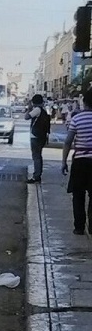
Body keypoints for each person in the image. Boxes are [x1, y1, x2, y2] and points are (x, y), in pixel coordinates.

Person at [62, 88, 92, 235]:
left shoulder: (76, 119)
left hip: (80, 161)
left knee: (78, 195)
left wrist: (63, 162)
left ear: (84, 102)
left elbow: (68, 142)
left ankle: (79, 227)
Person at [24, 94, 50, 184]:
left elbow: (26, 117)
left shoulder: (37, 110)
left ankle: (36, 176)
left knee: (36, 157)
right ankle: (38, 174)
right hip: (42, 136)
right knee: (38, 156)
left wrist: (29, 108)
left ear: (34, 102)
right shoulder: (43, 110)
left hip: (36, 137)